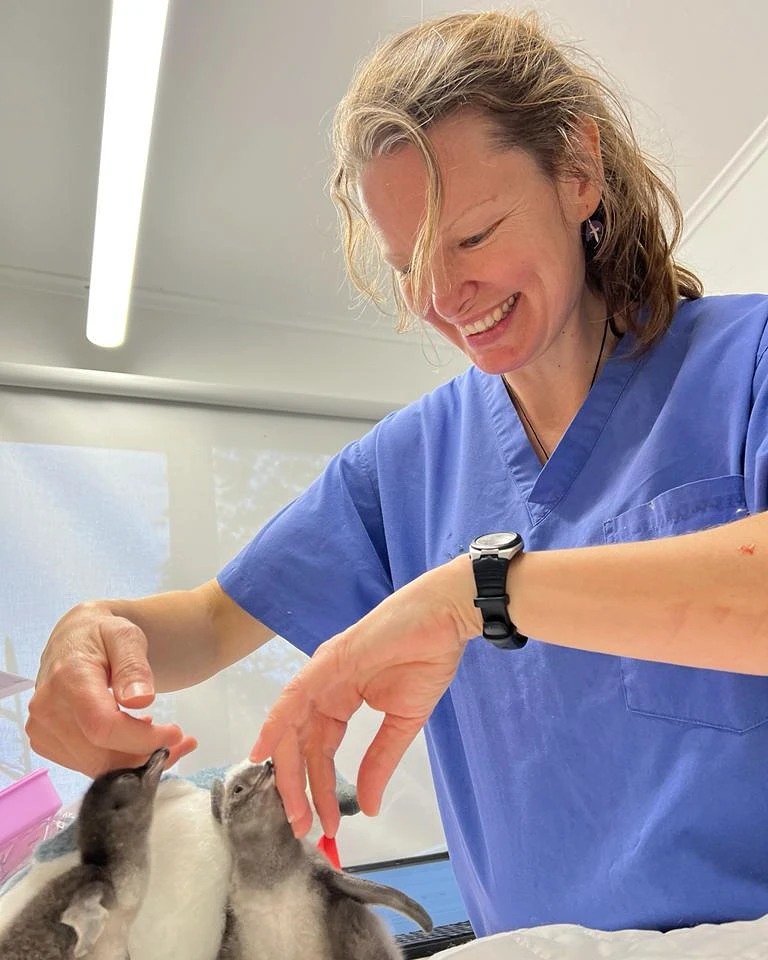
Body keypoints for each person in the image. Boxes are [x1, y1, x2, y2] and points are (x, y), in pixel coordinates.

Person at [28, 9, 768, 939]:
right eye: (409, 264)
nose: (443, 299)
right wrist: (94, 632)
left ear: (579, 173)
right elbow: (211, 622)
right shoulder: (408, 465)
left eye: (472, 237)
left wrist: (477, 593)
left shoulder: (746, 367)